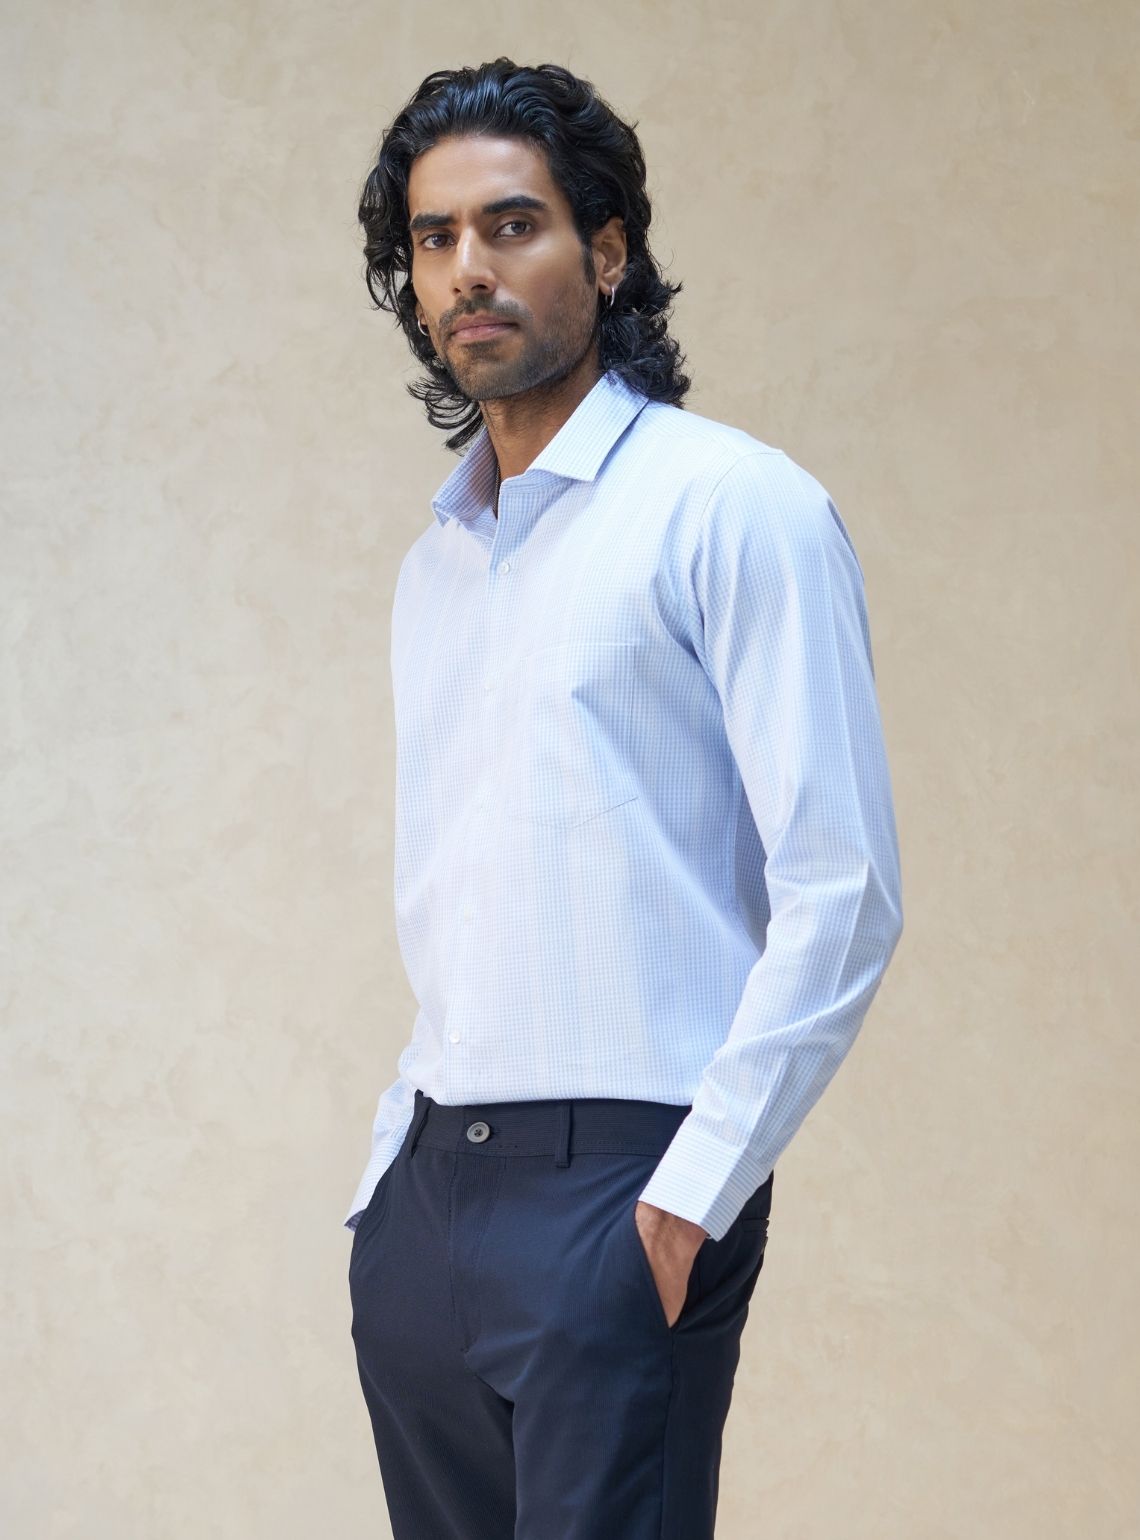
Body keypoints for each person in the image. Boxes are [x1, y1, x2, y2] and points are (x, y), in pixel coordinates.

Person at [344, 57, 904, 1540]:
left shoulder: (732, 507)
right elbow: (459, 891)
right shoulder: (436, 566)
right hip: (431, 1200)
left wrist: (691, 1194)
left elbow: (844, 887)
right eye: (435, 237)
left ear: (606, 253)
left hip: (623, 1186)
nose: (468, 268)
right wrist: (388, 1193)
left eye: (511, 224)